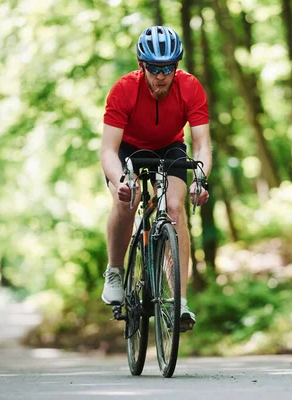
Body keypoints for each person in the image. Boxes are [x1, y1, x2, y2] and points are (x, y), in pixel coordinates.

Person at [99, 26, 211, 331]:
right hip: (128, 150)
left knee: (175, 209)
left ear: (176, 66)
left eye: (168, 67)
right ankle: (115, 271)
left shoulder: (190, 88)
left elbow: (201, 143)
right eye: (153, 67)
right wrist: (121, 180)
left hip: (170, 149)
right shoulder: (123, 90)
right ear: (141, 65)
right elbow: (108, 150)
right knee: (129, 199)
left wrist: (200, 179)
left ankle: (179, 304)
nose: (161, 75)